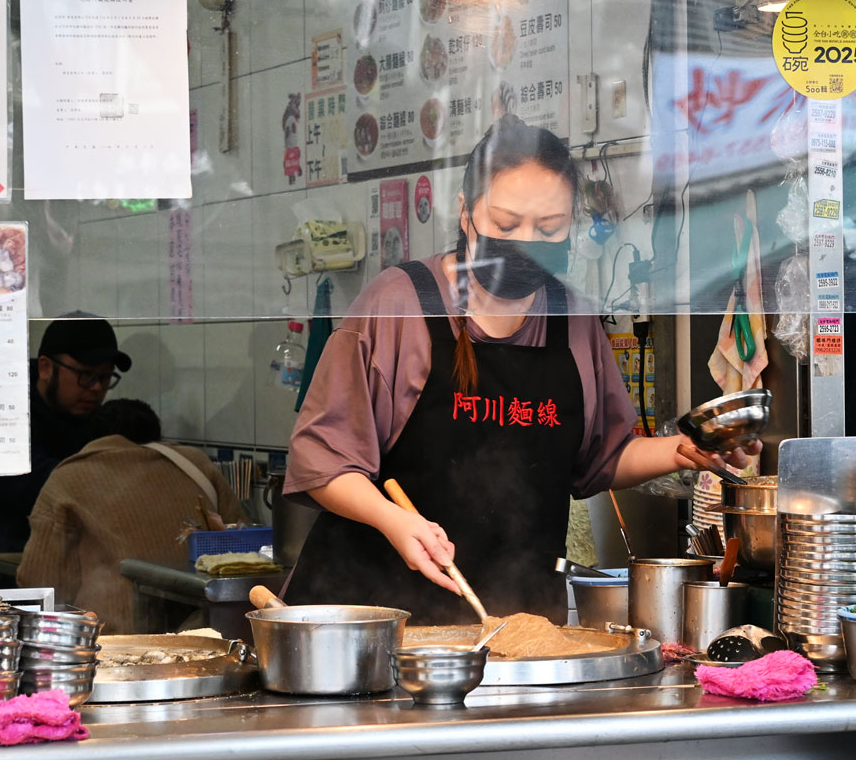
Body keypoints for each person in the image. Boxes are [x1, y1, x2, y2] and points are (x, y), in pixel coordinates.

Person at [284, 117, 756, 623]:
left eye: (548, 229)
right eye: (506, 226)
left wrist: (688, 450)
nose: (525, 242)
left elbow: (601, 457)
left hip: (513, 620)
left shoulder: (571, 318)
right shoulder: (402, 304)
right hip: (371, 618)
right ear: (466, 214)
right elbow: (323, 462)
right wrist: (394, 522)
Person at [17, 399, 243, 633]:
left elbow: (40, 581)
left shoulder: (68, 479)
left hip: (113, 638)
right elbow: (243, 544)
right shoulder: (196, 466)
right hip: (204, 632)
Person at [0, 316, 130, 584]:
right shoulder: (1, 411)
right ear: (45, 368)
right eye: (86, 375)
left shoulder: (95, 419)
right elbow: (39, 485)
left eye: (105, 377)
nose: (97, 388)